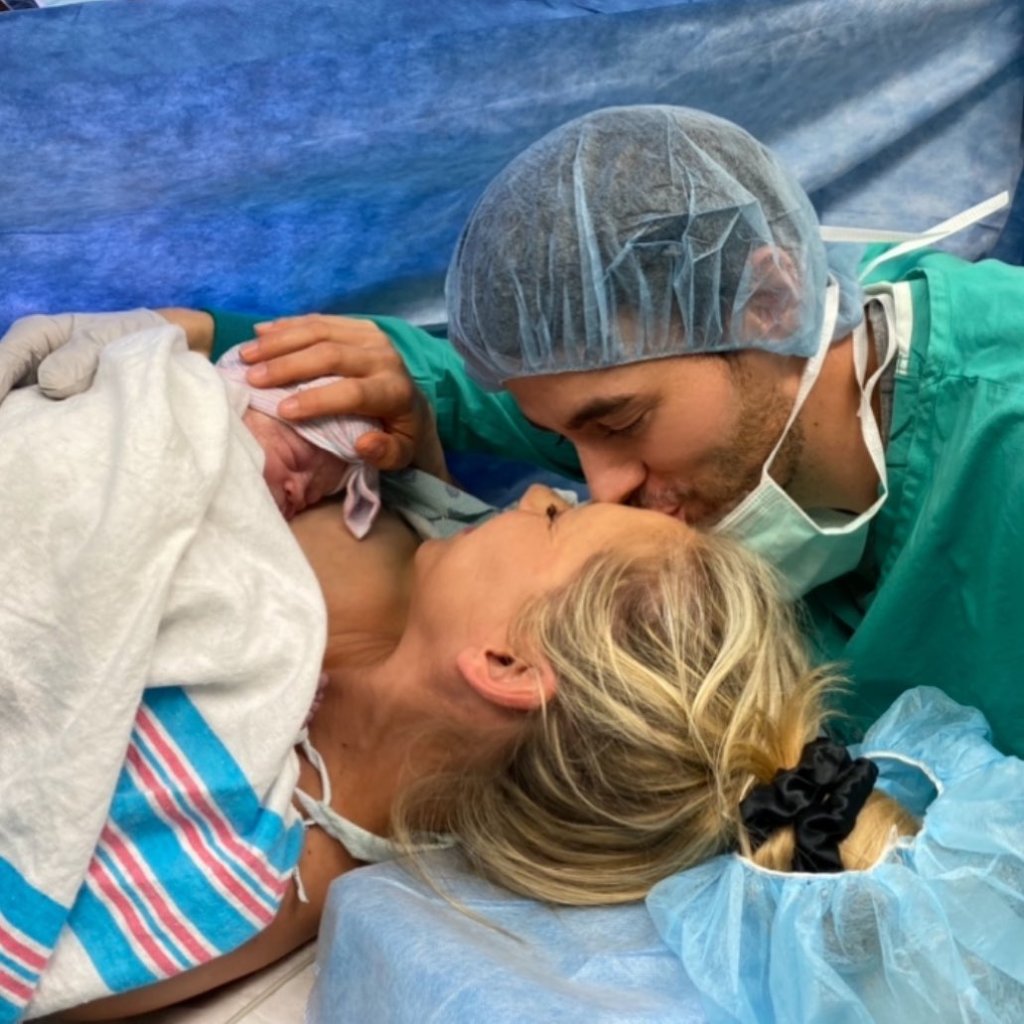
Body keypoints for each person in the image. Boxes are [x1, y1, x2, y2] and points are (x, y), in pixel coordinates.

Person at [3, 105, 1024, 758]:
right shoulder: (702, 393)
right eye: (567, 442)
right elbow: (454, 382)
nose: (594, 487)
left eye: (617, 423)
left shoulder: (999, 437)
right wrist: (216, 347)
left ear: (771, 302)